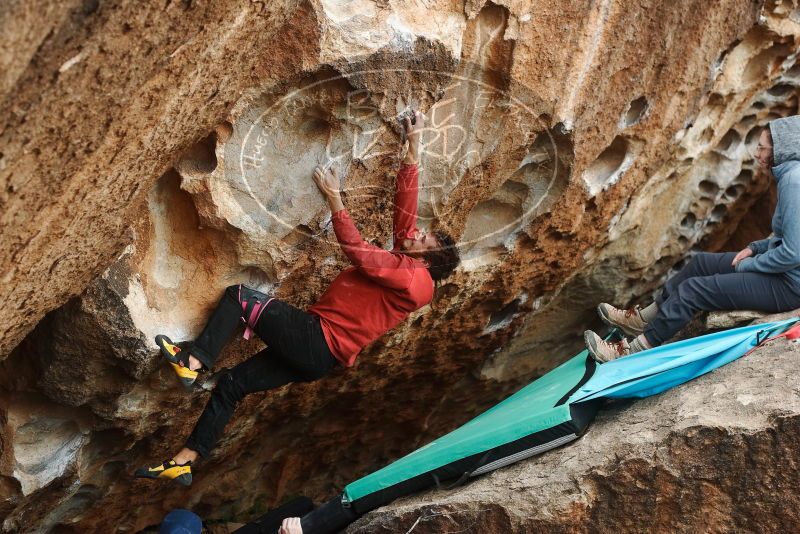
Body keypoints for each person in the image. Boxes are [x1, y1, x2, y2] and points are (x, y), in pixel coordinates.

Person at [134, 110, 461, 485]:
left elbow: (357, 250)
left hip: (316, 337)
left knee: (240, 297)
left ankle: (193, 360)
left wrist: (335, 199)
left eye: (424, 240)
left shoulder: (413, 278)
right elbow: (406, 215)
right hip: (318, 358)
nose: (417, 233)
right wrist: (414, 145)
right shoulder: (412, 267)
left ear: (426, 259)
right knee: (232, 386)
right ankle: (185, 461)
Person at [584, 116, 800, 363]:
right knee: (701, 264)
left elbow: (793, 252)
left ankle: (630, 353)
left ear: (781, 148)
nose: (756, 152)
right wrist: (755, 248)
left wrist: (748, 265)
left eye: (762, 147)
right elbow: (787, 236)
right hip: (785, 272)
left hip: (790, 285)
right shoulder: (791, 175)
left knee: (694, 291)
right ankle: (641, 321)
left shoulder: (794, 180)